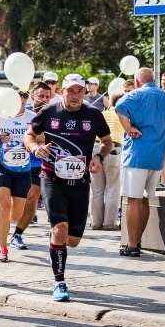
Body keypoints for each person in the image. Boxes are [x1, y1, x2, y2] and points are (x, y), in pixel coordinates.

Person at [24, 73, 112, 302]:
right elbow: (29, 135)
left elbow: (107, 141)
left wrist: (99, 157)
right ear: (62, 91)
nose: (75, 96)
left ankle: (56, 240)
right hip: (52, 178)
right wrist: (35, 148)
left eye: (79, 91)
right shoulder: (49, 112)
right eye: (70, 91)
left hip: (80, 182)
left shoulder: (93, 114)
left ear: (84, 93)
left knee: (72, 240)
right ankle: (59, 282)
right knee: (60, 228)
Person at [114, 67, 165, 257]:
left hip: (137, 153)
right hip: (157, 154)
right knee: (145, 199)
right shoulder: (163, 95)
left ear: (137, 82)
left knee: (133, 200)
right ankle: (138, 241)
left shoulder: (136, 94)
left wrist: (129, 128)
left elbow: (119, 106)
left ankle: (131, 245)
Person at [0, 85, 36, 263]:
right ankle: (3, 248)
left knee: (15, 215)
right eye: (19, 95)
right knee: (3, 208)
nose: (22, 99)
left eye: (25, 95)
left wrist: (26, 141)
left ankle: (2, 222)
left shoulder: (33, 117)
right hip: (2, 166)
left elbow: (41, 138)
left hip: (23, 169)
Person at [13, 81, 53, 247]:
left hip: (37, 163)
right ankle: (1, 219)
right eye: (40, 96)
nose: (43, 99)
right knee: (15, 202)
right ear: (32, 96)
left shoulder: (53, 115)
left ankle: (17, 234)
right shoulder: (23, 113)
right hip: (14, 163)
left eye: (47, 97)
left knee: (32, 199)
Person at [90, 92, 125, 230]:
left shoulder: (102, 114)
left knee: (96, 189)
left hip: (95, 148)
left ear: (110, 102)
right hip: (114, 148)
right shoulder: (124, 115)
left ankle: (96, 222)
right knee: (112, 188)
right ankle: (110, 224)